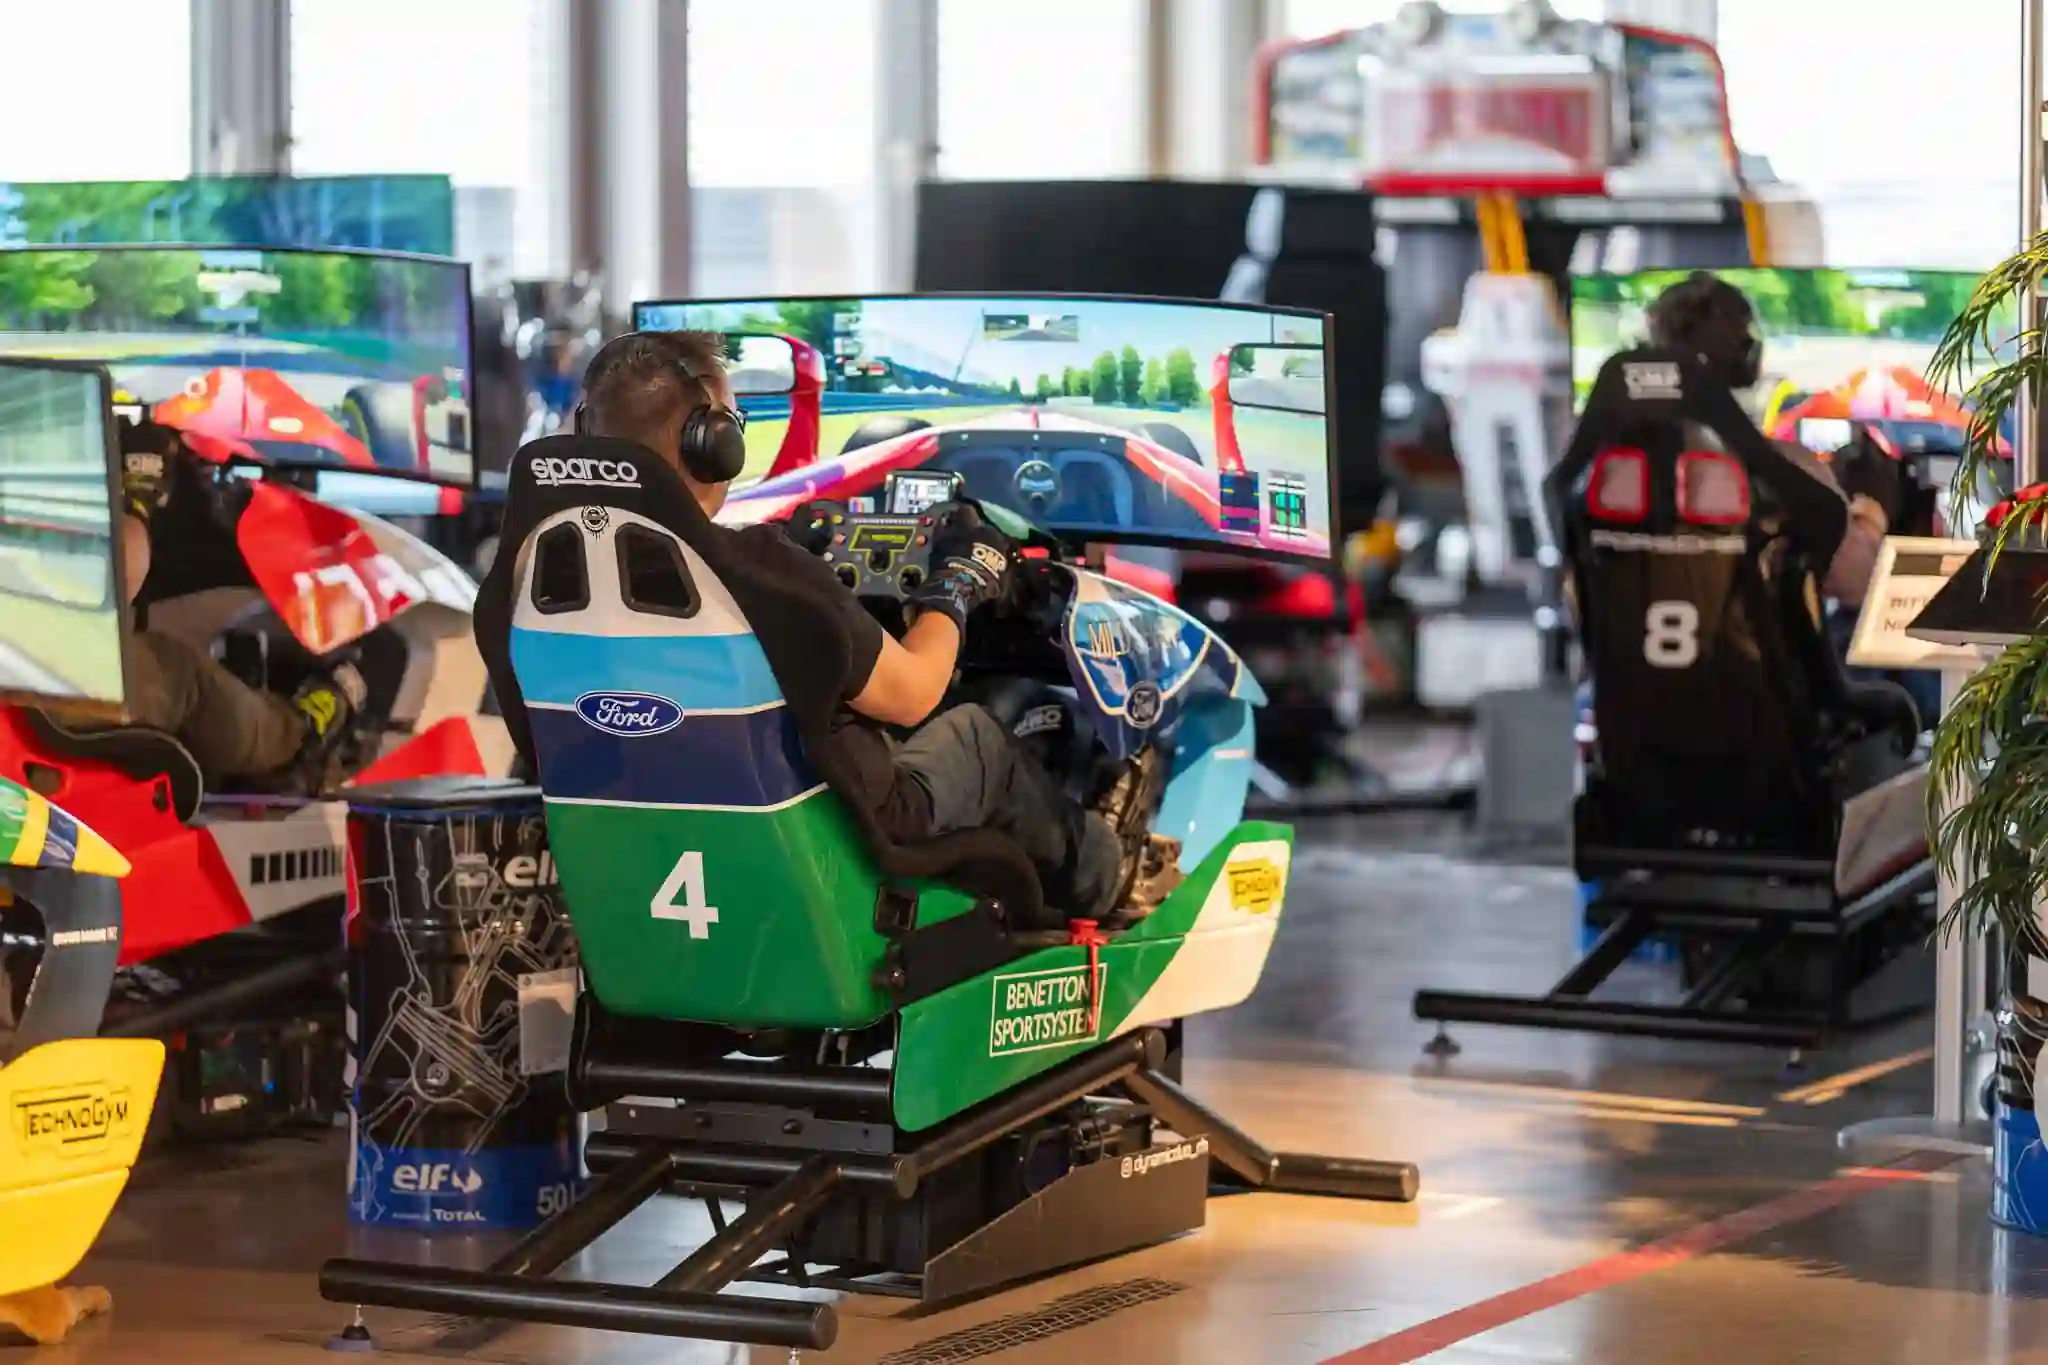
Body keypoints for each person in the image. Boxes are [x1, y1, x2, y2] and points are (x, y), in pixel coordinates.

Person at [570, 331, 1138, 926]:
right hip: (841, 823)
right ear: (713, 446)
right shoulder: (764, 571)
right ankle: (1109, 877)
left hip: (658, 822)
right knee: (974, 733)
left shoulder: (556, 572)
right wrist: (957, 585)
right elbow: (915, 692)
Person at [117, 420, 365, 789]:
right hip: (46, 683)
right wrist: (137, 497)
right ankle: (299, 732)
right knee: (180, 672)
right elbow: (121, 576)